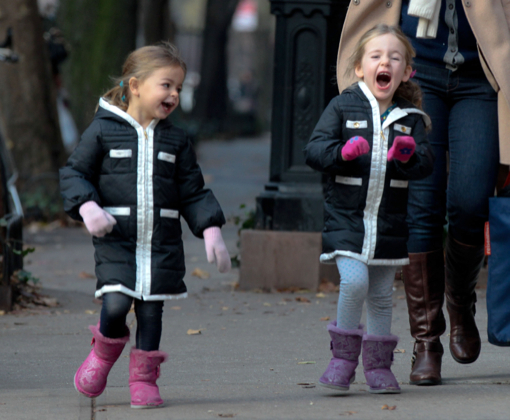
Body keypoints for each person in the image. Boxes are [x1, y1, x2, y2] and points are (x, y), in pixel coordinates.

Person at [336, 0, 510, 386]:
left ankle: (460, 300)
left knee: (471, 201)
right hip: (416, 73)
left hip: (483, 74)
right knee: (420, 208)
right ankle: (426, 341)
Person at [60, 42, 231, 409]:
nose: (174, 94)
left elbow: (193, 191)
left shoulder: (177, 140)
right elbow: (75, 173)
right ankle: (103, 355)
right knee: (118, 302)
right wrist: (88, 206)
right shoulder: (103, 130)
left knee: (152, 310)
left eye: (179, 88)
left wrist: (211, 228)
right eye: (166, 84)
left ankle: (143, 380)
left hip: (161, 244)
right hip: (116, 238)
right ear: (135, 85)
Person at [304, 24, 434, 394]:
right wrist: (342, 155)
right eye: (376, 56)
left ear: (406, 71)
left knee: (380, 296)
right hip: (346, 221)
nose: (385, 62)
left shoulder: (410, 118)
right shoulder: (342, 107)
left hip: (389, 226)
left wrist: (408, 157)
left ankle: (378, 367)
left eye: (395, 57)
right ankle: (342, 360)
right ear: (360, 67)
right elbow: (314, 150)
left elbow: (426, 163)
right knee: (355, 281)